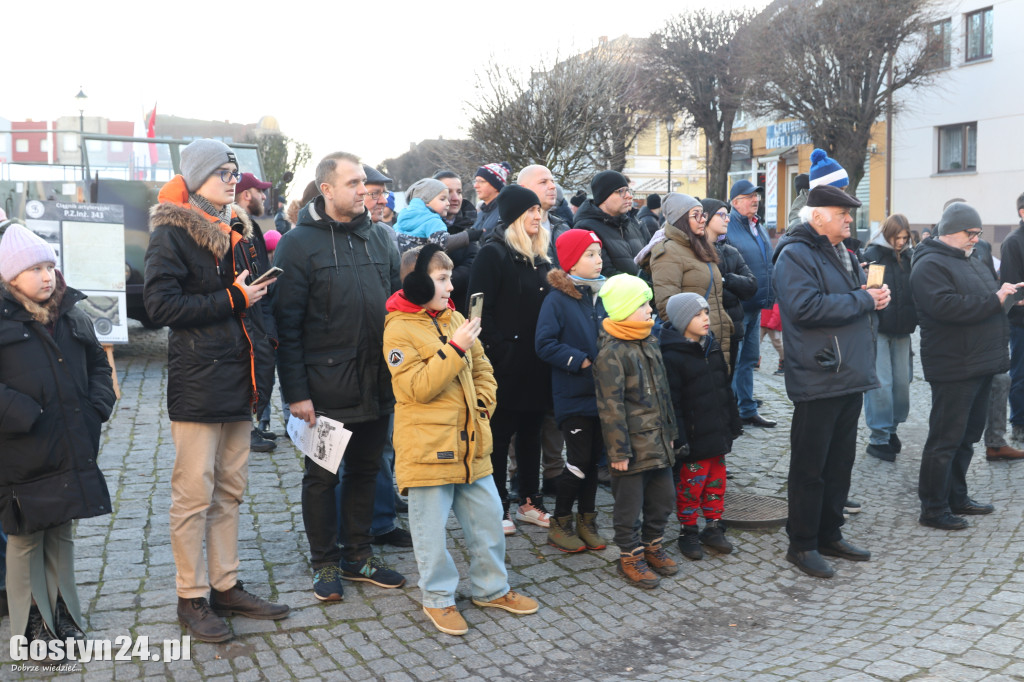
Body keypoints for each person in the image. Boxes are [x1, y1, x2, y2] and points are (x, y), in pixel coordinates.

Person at [144, 139, 289, 640]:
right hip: (199, 382)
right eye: (223, 171)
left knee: (231, 490)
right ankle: (191, 596)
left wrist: (254, 317)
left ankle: (226, 586)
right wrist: (234, 296)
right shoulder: (172, 231)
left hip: (239, 379)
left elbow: (249, 308)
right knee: (193, 495)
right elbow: (161, 307)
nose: (233, 179)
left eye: (235, 171)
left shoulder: (240, 229)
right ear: (198, 176)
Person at [383, 244, 538, 637]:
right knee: (430, 534)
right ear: (417, 283)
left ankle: (492, 589)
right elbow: (417, 388)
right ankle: (438, 598)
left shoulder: (455, 318)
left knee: (488, 521)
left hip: (472, 445)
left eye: (450, 277)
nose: (452, 286)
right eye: (442, 279)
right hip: (428, 450)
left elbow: (483, 368)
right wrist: (455, 349)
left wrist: (483, 404)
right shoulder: (398, 328)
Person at [272, 151, 406, 601]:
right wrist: (296, 393)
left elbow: (395, 308)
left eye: (364, 182)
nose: (363, 190)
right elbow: (286, 328)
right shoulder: (297, 245)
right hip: (325, 388)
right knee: (323, 476)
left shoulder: (382, 238)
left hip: (376, 381)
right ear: (326, 189)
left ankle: (358, 555)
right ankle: (325, 563)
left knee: (368, 471)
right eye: (352, 183)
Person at [0, 224, 115, 643]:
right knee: (26, 537)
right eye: (34, 268)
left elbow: (98, 366)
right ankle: (33, 626)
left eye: (49, 265)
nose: (46, 275)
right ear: (11, 278)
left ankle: (64, 612)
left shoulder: (71, 314)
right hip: (21, 450)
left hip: (69, 443)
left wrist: (95, 408)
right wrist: (25, 415)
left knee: (61, 532)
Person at [773, 185, 887, 578]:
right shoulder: (794, 254)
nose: (849, 219)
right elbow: (804, 308)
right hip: (819, 373)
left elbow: (850, 298)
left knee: (839, 462)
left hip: (847, 372)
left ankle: (829, 533)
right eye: (842, 213)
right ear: (818, 215)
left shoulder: (844, 252)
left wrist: (872, 295)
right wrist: (864, 300)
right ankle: (802, 545)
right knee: (810, 466)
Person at [910, 202, 1021, 531]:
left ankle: (957, 496)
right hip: (954, 364)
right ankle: (932, 507)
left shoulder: (972, 257)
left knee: (967, 436)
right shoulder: (929, 263)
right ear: (948, 231)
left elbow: (987, 296)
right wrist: (994, 300)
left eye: (978, 232)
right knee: (945, 439)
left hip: (980, 361)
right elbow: (945, 307)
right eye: (969, 233)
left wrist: (1005, 294)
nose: (976, 239)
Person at [467, 185, 553, 534]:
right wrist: (498, 350)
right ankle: (497, 504)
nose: (537, 216)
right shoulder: (493, 253)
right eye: (530, 211)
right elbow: (475, 309)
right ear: (515, 216)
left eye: (539, 211)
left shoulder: (541, 255)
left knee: (532, 433)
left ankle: (529, 501)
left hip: (538, 362)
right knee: (500, 437)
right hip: (504, 365)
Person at [594, 274, 678, 588]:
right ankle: (630, 555)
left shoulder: (648, 340)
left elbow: (664, 393)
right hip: (629, 448)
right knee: (629, 505)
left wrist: (670, 431)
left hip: (658, 440)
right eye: (642, 304)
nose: (649, 309)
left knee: (664, 497)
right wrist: (617, 452)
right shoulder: (612, 352)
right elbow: (610, 406)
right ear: (624, 309)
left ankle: (652, 545)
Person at [535, 229, 608, 553]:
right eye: (590, 255)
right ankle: (560, 520)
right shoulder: (557, 299)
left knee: (594, 462)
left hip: (602, 395)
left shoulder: (602, 294)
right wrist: (579, 361)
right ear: (572, 262)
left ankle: (586, 520)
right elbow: (544, 344)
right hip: (572, 395)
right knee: (578, 461)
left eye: (599, 253)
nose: (598, 260)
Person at [661, 292, 741, 561]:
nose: (706, 318)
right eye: (697, 314)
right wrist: (679, 438)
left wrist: (733, 422)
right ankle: (688, 529)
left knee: (716, 484)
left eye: (706, 312)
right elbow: (674, 403)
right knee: (691, 486)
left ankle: (713, 526)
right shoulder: (672, 355)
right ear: (683, 320)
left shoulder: (712, 347)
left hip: (716, 434)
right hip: (694, 441)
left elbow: (724, 388)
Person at [516, 164, 571, 492]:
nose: (552, 186)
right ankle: (518, 474)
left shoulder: (563, 225)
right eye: (544, 181)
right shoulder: (509, 228)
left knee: (554, 404)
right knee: (523, 406)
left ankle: (553, 471)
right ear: (524, 188)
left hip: (559, 326)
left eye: (553, 180)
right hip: (525, 328)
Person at [646, 193, 734, 366]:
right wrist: (694, 336)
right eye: (696, 215)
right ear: (681, 219)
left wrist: (724, 321)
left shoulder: (700, 246)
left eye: (703, 215)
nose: (702, 220)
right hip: (693, 345)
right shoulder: (668, 252)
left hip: (714, 338)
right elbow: (667, 308)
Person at [861, 214, 918, 462]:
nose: (901, 242)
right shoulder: (873, 255)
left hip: (903, 329)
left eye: (905, 238)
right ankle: (878, 437)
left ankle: (891, 430)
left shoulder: (910, 257)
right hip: (878, 329)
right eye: (898, 237)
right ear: (888, 234)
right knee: (881, 384)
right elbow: (870, 294)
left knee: (902, 384)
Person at [727, 179, 777, 428]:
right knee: (735, 362)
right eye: (749, 197)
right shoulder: (728, 226)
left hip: (756, 304)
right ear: (735, 202)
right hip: (738, 305)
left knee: (749, 359)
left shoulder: (758, 225)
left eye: (756, 196)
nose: (755, 200)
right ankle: (733, 410)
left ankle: (747, 409)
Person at [235, 172, 279, 451]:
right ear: (246, 194)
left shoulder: (251, 226)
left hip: (260, 309)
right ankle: (244, 429)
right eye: (259, 191)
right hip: (248, 312)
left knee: (264, 370)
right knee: (253, 370)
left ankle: (251, 425)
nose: (264, 196)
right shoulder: (237, 227)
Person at [702, 198, 756, 381]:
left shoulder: (731, 251)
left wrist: (727, 280)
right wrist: (728, 286)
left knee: (727, 383)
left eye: (728, 215)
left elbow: (751, 286)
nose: (727, 219)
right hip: (707, 330)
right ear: (706, 217)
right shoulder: (695, 252)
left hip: (732, 328)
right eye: (722, 215)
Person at [572, 171, 648, 279]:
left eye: (628, 191)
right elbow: (604, 273)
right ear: (603, 196)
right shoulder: (585, 229)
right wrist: (642, 285)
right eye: (621, 191)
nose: (628, 196)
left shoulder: (630, 224)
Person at [394, 178, 481, 255]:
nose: (448, 203)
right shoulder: (432, 220)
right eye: (442, 199)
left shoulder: (404, 216)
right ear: (427, 201)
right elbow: (443, 242)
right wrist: (469, 236)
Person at [433, 170, 478, 315]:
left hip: (460, 310)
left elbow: (472, 263)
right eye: (448, 192)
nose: (455, 198)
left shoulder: (469, 224)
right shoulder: (424, 227)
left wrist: (442, 282)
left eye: (459, 192)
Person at [999, 192, 1024, 445]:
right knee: (1020, 375)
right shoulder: (1013, 242)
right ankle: (1019, 423)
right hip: (1020, 324)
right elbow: (1012, 292)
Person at [470, 162, 511, 235]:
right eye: (475, 181)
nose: (475, 186)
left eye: (481, 181)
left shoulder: (504, 215)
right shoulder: (479, 215)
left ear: (496, 186)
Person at [363, 164, 398, 249]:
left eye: (384, 193)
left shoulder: (388, 233)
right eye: (375, 193)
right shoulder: (332, 236)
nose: (384, 201)